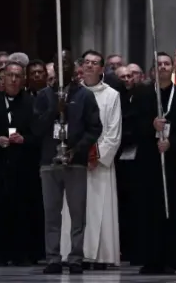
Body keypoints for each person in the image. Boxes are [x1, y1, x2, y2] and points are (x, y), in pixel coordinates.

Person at [32, 51, 102, 275]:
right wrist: (56, 109)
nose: (63, 67)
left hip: (75, 162)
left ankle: (75, 258)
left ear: (74, 67)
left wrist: (77, 149)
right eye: (59, 63)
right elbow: (36, 129)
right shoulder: (43, 95)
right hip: (49, 162)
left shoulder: (84, 96)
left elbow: (94, 128)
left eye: (67, 63)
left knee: (77, 213)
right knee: (51, 213)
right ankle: (53, 257)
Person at [132, 52, 176, 274]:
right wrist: (150, 125)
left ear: (172, 68)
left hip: (170, 161)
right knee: (147, 209)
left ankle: (172, 257)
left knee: (172, 208)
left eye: (166, 64)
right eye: (158, 64)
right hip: (147, 161)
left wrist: (172, 143)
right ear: (152, 69)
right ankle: (149, 258)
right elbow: (131, 125)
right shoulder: (142, 95)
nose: (162, 67)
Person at [60, 50, 122, 269]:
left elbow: (114, 132)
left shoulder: (112, 95)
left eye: (95, 63)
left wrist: (97, 154)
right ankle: (74, 253)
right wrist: (73, 151)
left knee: (99, 207)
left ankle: (101, 256)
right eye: (86, 62)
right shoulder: (70, 94)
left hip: (99, 164)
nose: (89, 66)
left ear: (102, 69)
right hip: (74, 160)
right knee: (75, 209)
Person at [0, 61, 39, 265]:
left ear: (23, 80)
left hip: (24, 168)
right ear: (2, 80)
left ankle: (22, 253)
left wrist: (25, 139)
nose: (13, 80)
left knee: (23, 211)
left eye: (18, 76)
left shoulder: (32, 103)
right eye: (9, 76)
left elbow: (39, 134)